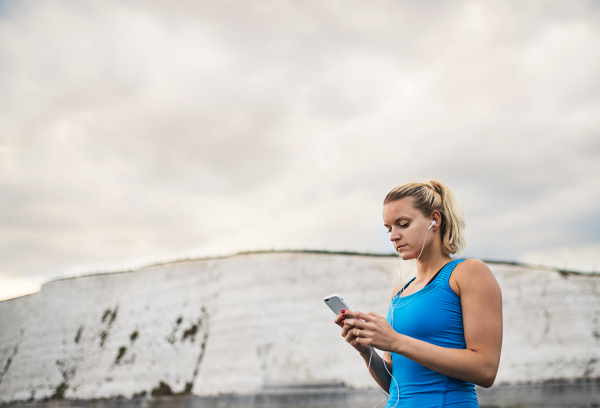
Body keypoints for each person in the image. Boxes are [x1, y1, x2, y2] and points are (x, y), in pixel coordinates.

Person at [334, 180, 502, 408]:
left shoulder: (468, 273)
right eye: (388, 228)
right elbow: (397, 386)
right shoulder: (399, 294)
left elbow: (485, 370)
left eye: (403, 224)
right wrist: (367, 351)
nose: (393, 236)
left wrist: (396, 341)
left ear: (435, 220)